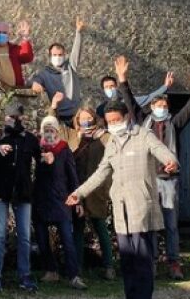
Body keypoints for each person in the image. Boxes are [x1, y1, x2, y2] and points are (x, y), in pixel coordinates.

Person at [65, 59, 179, 299]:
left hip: (142, 209)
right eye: (110, 122)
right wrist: (79, 193)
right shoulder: (113, 143)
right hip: (121, 211)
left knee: (143, 262)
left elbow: (163, 151)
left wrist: (171, 162)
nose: (114, 125)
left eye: (117, 120)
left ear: (127, 117)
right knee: (127, 263)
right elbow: (101, 172)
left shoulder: (143, 135)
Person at [122, 62, 190, 279]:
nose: (161, 108)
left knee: (171, 225)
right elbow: (130, 102)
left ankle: (174, 263)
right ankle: (151, 263)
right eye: (157, 105)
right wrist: (123, 79)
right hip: (147, 180)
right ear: (152, 107)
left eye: (164, 105)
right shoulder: (143, 123)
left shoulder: (175, 123)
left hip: (168, 180)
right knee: (151, 225)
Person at [47, 95, 114, 280]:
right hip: (76, 188)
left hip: (97, 190)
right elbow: (53, 126)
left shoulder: (104, 136)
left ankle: (109, 266)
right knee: (77, 229)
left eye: (88, 118)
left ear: (94, 118)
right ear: (77, 120)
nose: (85, 121)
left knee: (100, 227)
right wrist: (53, 107)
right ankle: (77, 268)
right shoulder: (70, 135)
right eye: (82, 118)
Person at [0, 102, 40, 293]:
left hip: (22, 193)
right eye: (7, 117)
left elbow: (40, 157)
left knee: (24, 236)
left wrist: (47, 157)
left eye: (13, 117)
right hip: (1, 192)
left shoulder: (29, 139)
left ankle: (25, 275)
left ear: (21, 118)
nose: (9, 120)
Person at [33, 116, 87, 290]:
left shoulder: (64, 150)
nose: (48, 133)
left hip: (60, 200)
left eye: (51, 130)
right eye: (45, 130)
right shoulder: (37, 148)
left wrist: (77, 198)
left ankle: (74, 275)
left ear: (56, 131)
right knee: (41, 238)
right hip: (41, 200)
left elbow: (72, 175)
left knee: (67, 239)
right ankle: (51, 270)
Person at [30, 17, 85, 126]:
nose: (58, 57)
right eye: (54, 55)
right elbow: (35, 81)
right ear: (50, 56)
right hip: (59, 117)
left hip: (76, 115)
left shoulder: (71, 66)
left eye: (60, 55)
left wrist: (78, 32)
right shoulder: (45, 74)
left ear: (64, 55)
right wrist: (35, 84)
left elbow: (76, 51)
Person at [96, 71, 172, 121]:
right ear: (103, 90)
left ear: (117, 86)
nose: (110, 89)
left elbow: (149, 97)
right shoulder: (101, 109)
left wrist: (165, 86)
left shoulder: (129, 100)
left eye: (112, 86)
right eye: (107, 87)